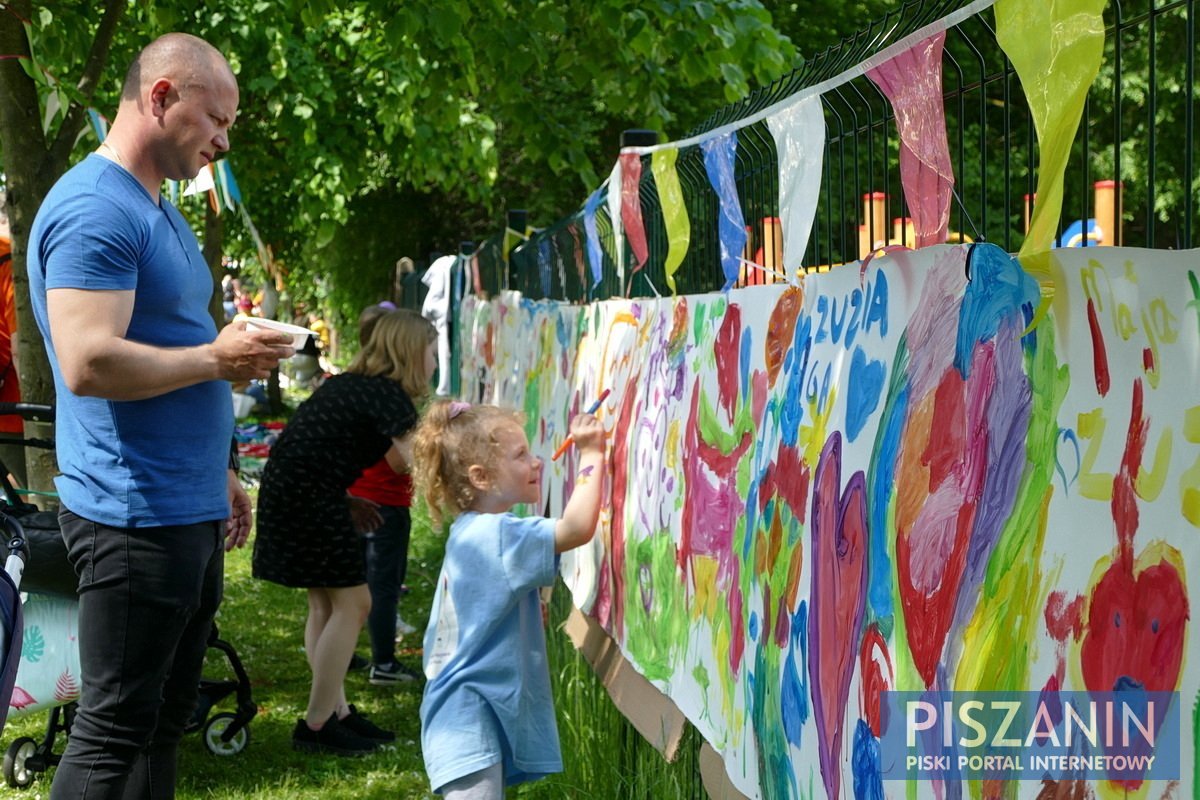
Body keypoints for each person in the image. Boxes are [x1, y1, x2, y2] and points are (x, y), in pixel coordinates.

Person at [25, 33, 295, 799]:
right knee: (112, 734)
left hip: (186, 508)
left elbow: (173, 341)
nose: (224, 139)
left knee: (161, 723)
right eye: (217, 119)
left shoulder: (158, 210)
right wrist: (218, 361)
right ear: (163, 96)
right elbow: (87, 362)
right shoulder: (92, 210)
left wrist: (221, 473)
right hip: (132, 520)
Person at [252, 309, 437, 756]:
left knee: (325, 602)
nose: (435, 360)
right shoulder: (387, 394)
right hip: (308, 497)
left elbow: (314, 448)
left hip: (299, 492)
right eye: (432, 350)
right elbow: (420, 460)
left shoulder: (357, 386)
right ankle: (317, 725)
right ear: (411, 351)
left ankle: (335, 713)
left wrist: (346, 499)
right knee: (355, 602)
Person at [411, 401, 606, 798]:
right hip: (467, 718)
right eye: (521, 456)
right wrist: (592, 453)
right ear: (480, 477)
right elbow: (576, 528)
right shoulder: (498, 536)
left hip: (461, 715)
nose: (537, 464)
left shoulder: (471, 531)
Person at [347, 303, 421, 686]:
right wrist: (428, 445)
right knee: (382, 585)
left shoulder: (357, 383)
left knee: (353, 585)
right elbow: (396, 461)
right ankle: (385, 664)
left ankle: (340, 654)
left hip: (355, 498)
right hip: (382, 504)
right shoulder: (392, 396)